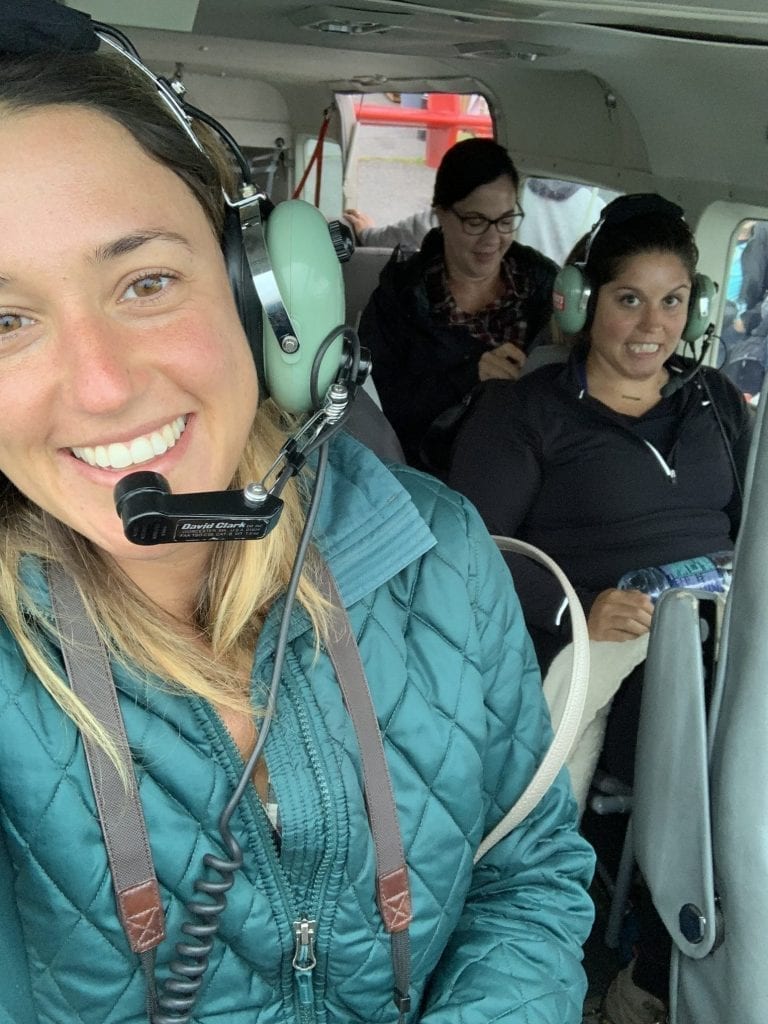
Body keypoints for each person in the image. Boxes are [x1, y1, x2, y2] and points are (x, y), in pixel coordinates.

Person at [0, 12, 596, 1024]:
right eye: (4, 320)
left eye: (146, 281)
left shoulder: (437, 552)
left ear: (264, 295)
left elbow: (524, 880)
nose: (101, 387)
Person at [449, 194, 752, 1024]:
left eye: (673, 300)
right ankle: (653, 975)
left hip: (729, 633)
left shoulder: (716, 404)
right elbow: (470, 557)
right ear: (584, 303)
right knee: (726, 760)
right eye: (628, 298)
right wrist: (576, 608)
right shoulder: (524, 414)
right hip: (627, 653)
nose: (652, 324)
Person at [357, 138, 558, 470]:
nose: (493, 239)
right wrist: (469, 376)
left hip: (520, 467)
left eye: (506, 220)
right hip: (418, 471)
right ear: (441, 214)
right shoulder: (402, 295)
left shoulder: (543, 289)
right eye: (476, 222)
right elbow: (373, 404)